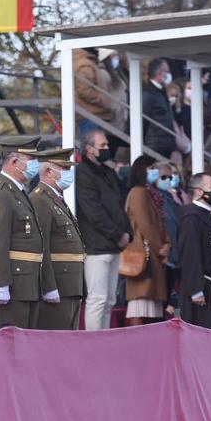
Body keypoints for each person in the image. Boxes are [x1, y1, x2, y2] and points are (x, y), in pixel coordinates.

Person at [0, 135, 46, 330]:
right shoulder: (1, 193)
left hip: (26, 282)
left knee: (27, 344)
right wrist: (2, 284)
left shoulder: (17, 191)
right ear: (14, 162)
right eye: (31, 160)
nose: (35, 165)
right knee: (12, 347)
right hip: (12, 282)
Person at [76, 129, 130, 331]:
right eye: (103, 146)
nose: (107, 149)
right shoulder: (83, 173)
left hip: (114, 246)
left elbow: (120, 204)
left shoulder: (107, 172)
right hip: (96, 247)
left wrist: (127, 233)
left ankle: (104, 338)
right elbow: (93, 212)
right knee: (97, 299)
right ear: (90, 149)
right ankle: (93, 342)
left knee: (109, 300)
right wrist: (118, 234)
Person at [30, 148, 83, 330]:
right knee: (56, 340)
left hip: (70, 284)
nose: (68, 173)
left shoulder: (56, 199)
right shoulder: (40, 200)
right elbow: (41, 247)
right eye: (64, 168)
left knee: (69, 340)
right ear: (48, 171)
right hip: (58, 284)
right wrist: (49, 286)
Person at [176, 173, 211, 331]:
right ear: (199, 192)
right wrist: (196, 289)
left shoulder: (205, 215)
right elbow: (190, 254)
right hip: (202, 286)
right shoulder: (192, 218)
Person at [123, 156, 171, 325]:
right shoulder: (139, 192)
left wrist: (167, 244)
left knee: (148, 302)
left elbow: (159, 223)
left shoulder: (149, 192)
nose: (155, 172)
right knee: (139, 301)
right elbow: (145, 225)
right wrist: (160, 247)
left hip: (151, 252)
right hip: (145, 252)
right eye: (151, 167)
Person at [142, 58, 177, 160]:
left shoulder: (160, 92)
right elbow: (143, 119)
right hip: (154, 146)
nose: (169, 74)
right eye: (167, 71)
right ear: (159, 73)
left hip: (164, 144)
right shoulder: (149, 93)